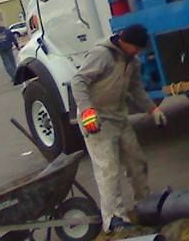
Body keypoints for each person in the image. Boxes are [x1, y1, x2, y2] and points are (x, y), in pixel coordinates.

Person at [71, 25, 168, 232]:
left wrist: (153, 109)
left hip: (119, 117)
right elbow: (78, 81)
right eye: (135, 48)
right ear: (124, 41)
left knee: (137, 161)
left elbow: (136, 88)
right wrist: (87, 111)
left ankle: (145, 204)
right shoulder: (102, 55)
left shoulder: (131, 61)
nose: (137, 52)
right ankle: (114, 218)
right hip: (96, 119)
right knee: (108, 168)